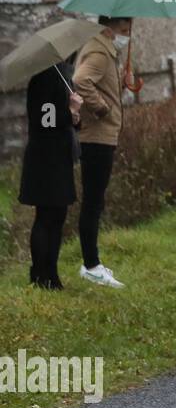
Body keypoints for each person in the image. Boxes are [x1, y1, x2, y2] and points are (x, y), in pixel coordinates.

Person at [72, 15, 132, 288]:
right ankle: (91, 265)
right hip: (97, 136)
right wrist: (102, 108)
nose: (126, 35)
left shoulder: (107, 51)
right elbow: (81, 80)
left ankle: (92, 262)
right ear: (109, 28)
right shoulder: (99, 51)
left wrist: (121, 82)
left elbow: (100, 85)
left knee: (96, 199)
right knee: (93, 201)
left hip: (103, 135)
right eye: (124, 30)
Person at [20, 62, 82, 289]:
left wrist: (75, 117)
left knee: (57, 216)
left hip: (59, 157)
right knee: (46, 216)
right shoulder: (44, 78)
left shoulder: (63, 75)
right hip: (45, 158)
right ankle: (39, 275)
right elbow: (46, 119)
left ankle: (52, 275)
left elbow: (67, 120)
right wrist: (71, 111)